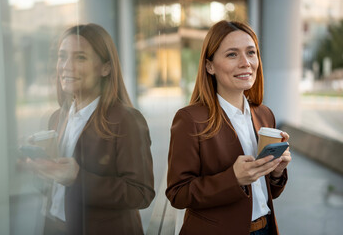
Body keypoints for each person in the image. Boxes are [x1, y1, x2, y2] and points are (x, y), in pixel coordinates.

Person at [26, 23, 155, 235]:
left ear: (105, 68)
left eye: (80, 58)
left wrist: (78, 177)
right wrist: (41, 167)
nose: (66, 66)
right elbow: (54, 193)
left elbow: (141, 193)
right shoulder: (57, 118)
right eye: (62, 56)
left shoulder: (126, 120)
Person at [165, 20, 291, 235]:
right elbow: (178, 194)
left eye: (251, 53)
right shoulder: (190, 119)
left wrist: (277, 171)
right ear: (210, 66)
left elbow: (265, 192)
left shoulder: (264, 114)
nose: (246, 63)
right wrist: (233, 178)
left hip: (266, 228)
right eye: (232, 54)